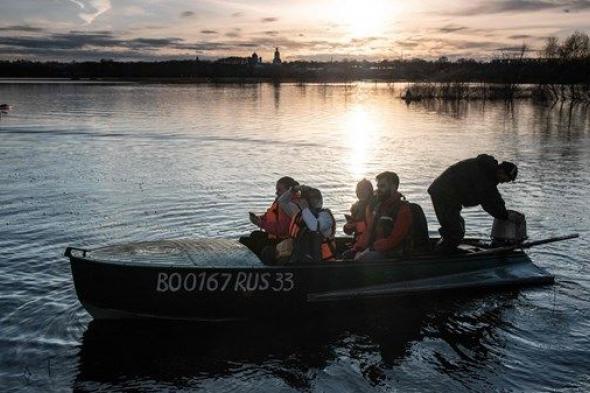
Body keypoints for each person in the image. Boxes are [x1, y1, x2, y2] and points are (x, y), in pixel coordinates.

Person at [428, 154, 518, 254]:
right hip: (443, 194)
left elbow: (492, 196)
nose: (504, 182)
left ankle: (445, 249)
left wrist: (503, 213)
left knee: (458, 226)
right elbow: (490, 201)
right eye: (506, 179)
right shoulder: (485, 176)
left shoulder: (487, 172)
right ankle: (440, 257)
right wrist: (505, 215)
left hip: (450, 197)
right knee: (455, 231)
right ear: (501, 171)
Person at [353, 171, 413, 261]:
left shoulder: (403, 209)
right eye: (378, 186)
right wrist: (357, 249)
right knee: (347, 255)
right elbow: (368, 232)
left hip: (394, 255)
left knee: (366, 258)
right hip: (377, 250)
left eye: (382, 186)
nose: (378, 190)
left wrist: (371, 249)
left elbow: (395, 239)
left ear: (393, 187)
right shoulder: (378, 207)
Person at [276, 185, 336, 263]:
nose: (314, 201)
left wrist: (305, 208)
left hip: (322, 263)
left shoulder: (326, 216)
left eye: (314, 199)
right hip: (300, 259)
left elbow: (314, 227)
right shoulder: (299, 213)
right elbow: (282, 202)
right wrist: (292, 190)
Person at [241, 176, 299, 256]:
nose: (276, 193)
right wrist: (258, 218)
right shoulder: (278, 201)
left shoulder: (289, 206)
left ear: (289, 191)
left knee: (255, 243)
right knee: (254, 235)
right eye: (276, 190)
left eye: (279, 190)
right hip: (273, 236)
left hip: (283, 241)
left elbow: (281, 230)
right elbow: (269, 215)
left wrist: (260, 223)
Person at [342, 179, 374, 259]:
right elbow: (349, 231)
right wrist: (348, 226)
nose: (360, 192)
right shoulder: (355, 207)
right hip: (357, 242)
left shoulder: (374, 206)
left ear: (370, 191)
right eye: (358, 189)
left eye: (363, 190)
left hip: (369, 244)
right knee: (344, 254)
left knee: (346, 257)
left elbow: (372, 229)